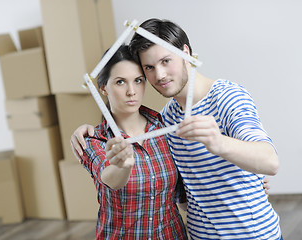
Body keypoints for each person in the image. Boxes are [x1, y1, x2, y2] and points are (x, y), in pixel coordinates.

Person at [71, 18, 282, 239]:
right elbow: (183, 192)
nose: (160, 75)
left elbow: (270, 161)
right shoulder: (167, 120)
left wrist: (220, 144)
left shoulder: (228, 97)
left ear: (186, 53)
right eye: (149, 68)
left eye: (166, 61)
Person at [77, 44, 188, 239]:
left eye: (138, 81)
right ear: (103, 87)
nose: (131, 91)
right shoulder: (94, 140)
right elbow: (110, 179)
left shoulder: (165, 126)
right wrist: (123, 166)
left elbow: (184, 195)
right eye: (120, 82)